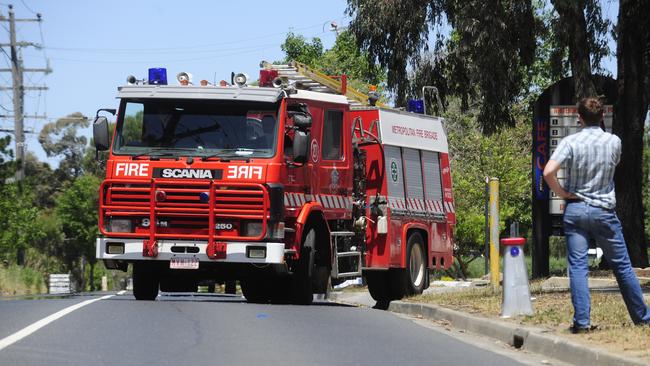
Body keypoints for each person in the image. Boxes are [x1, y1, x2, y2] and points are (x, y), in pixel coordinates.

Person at [543, 97, 650, 333]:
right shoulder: (613, 142)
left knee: (579, 267)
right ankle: (643, 318)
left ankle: (582, 322)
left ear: (578, 118)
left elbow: (549, 171)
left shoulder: (570, 141)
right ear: (602, 117)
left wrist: (562, 193)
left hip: (576, 209)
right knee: (622, 266)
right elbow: (614, 165)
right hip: (604, 211)